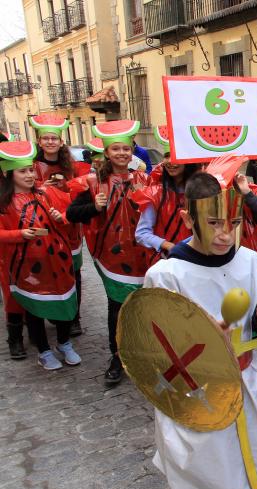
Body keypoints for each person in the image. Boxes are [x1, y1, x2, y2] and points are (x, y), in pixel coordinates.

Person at [143, 169, 257, 489]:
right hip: (199, 393)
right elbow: (154, 348)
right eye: (214, 222)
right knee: (215, 474)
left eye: (234, 222)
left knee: (250, 459)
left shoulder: (251, 261)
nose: (225, 233)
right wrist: (200, 340)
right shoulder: (167, 275)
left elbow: (256, 328)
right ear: (187, 218)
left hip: (247, 382)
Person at [66, 120, 149, 386]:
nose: (122, 154)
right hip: (112, 257)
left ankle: (143, 353)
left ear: (132, 150)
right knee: (117, 306)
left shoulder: (144, 179)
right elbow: (72, 214)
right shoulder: (91, 182)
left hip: (143, 254)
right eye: (116, 149)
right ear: (107, 153)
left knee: (144, 306)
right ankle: (117, 357)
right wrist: (94, 207)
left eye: (126, 148)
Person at [0, 141, 81, 370]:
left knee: (65, 304)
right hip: (26, 267)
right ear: (8, 173)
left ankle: (64, 344)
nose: (29, 175)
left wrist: (59, 217)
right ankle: (44, 351)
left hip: (58, 262)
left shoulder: (45, 194)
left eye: (30, 170)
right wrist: (19, 233)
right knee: (34, 309)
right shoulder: (3, 204)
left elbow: (68, 218)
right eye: (22, 171)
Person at [29, 114, 92, 337]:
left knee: (74, 272)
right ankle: (53, 311)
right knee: (49, 271)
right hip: (43, 226)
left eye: (54, 139)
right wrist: (40, 186)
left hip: (69, 226)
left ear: (61, 141)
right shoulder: (32, 166)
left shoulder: (72, 166)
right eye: (45, 138)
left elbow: (83, 190)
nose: (50, 142)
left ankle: (74, 317)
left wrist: (67, 186)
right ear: (39, 141)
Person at [134, 128, 199, 267]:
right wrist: (169, 246)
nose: (169, 161)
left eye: (175, 155)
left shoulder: (201, 192)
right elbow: (142, 233)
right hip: (166, 263)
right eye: (167, 155)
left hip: (198, 261)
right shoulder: (154, 194)